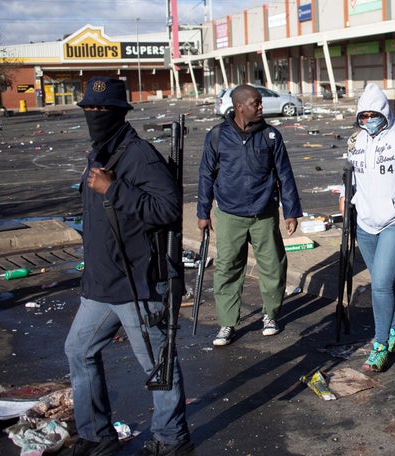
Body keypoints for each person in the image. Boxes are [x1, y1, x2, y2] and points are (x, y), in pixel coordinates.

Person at [63, 77, 193, 455]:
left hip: (137, 284)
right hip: (101, 284)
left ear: (120, 112)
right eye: (89, 108)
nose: (94, 114)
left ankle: (172, 439)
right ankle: (95, 435)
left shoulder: (139, 155)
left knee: (157, 366)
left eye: (102, 109)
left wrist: (114, 189)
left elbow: (167, 209)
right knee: (78, 350)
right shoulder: (99, 152)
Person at [197, 84, 302, 346]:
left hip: (264, 213)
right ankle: (227, 323)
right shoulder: (217, 136)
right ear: (240, 106)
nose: (260, 107)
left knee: (273, 266)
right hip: (230, 215)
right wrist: (203, 212)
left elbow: (285, 175)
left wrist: (290, 212)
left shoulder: (271, 136)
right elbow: (206, 175)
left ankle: (270, 314)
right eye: (256, 103)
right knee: (228, 269)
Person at [339, 83, 395, 372]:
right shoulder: (356, 141)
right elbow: (353, 178)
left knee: (379, 283)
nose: (368, 120)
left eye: (372, 114)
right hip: (366, 223)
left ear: (384, 111)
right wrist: (346, 198)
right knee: (384, 283)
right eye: (362, 116)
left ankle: (379, 345)